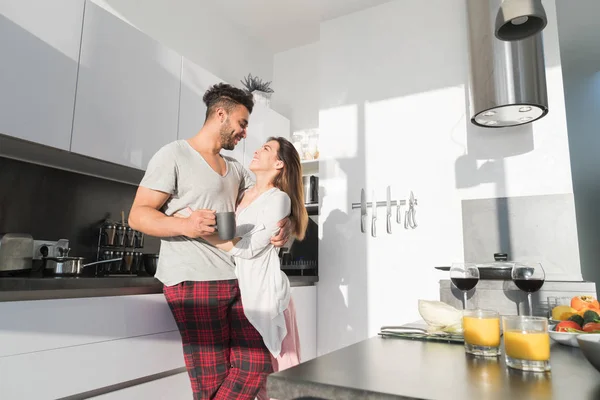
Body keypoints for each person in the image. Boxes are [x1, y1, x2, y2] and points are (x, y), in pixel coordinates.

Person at [128, 83, 292, 400]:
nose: (244, 134)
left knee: (257, 364)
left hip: (236, 278)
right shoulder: (174, 155)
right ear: (221, 115)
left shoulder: (235, 169)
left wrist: (285, 224)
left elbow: (267, 198)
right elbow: (138, 215)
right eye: (242, 124)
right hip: (193, 280)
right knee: (211, 380)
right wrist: (185, 224)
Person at [198, 137, 307, 400]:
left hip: (266, 295)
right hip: (243, 292)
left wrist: (198, 233)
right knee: (257, 381)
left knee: (281, 382)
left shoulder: (278, 198)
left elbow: (248, 248)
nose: (257, 150)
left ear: (279, 163)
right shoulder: (243, 193)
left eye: (266, 149)